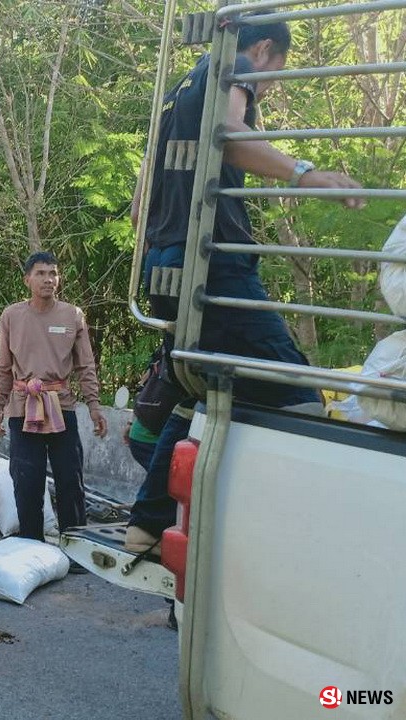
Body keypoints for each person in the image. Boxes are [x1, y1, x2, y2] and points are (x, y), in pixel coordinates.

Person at [124, 16, 363, 553]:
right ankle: (300, 539)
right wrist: (307, 173)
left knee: (200, 388)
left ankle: (145, 522)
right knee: (296, 394)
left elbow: (141, 203)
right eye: (276, 75)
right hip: (212, 265)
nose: (269, 89)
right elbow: (230, 136)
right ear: (263, 50)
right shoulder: (234, 65)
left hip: (163, 262)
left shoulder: (177, 90)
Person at [0, 252, 106, 556]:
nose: (48, 279)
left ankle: (76, 548)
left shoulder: (73, 315)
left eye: (53, 273)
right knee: (27, 479)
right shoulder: (11, 316)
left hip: (62, 406)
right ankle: (31, 547)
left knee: (70, 477)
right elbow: (3, 367)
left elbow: (86, 365)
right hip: (22, 406)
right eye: (41, 273)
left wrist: (94, 405)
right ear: (27, 279)